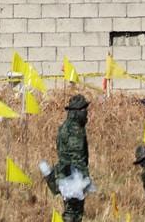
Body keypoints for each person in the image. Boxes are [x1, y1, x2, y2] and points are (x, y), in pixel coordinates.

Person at [44, 94, 91, 222]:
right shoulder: (75, 130)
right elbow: (77, 158)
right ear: (76, 112)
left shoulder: (66, 126)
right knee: (73, 213)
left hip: (67, 176)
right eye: (84, 110)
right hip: (72, 178)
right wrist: (85, 179)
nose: (86, 113)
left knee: (72, 211)